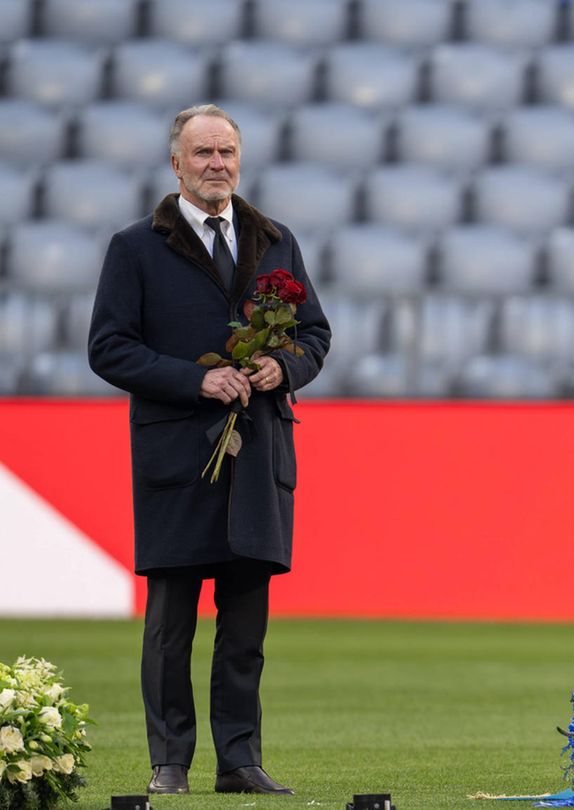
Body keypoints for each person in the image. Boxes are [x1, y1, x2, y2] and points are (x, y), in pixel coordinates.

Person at [88, 104, 330, 796]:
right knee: (170, 626)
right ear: (176, 164)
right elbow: (108, 348)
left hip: (256, 459)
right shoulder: (135, 247)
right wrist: (197, 380)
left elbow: (315, 334)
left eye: (226, 152)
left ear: (240, 159)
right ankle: (169, 763)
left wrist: (284, 367)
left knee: (245, 626)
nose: (217, 164)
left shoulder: (275, 239)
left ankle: (240, 760)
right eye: (203, 153)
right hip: (177, 460)